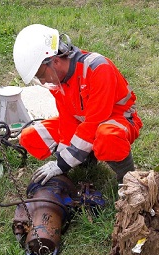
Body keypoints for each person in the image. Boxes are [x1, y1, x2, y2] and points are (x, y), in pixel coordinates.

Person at [13, 24, 143, 184]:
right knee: (30, 137)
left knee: (106, 137)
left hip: (116, 120)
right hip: (86, 123)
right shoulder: (58, 80)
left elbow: (94, 123)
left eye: (40, 74)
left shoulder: (98, 69)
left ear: (55, 61)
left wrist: (61, 164)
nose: (42, 81)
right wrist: (62, 158)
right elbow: (67, 121)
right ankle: (85, 160)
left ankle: (128, 179)